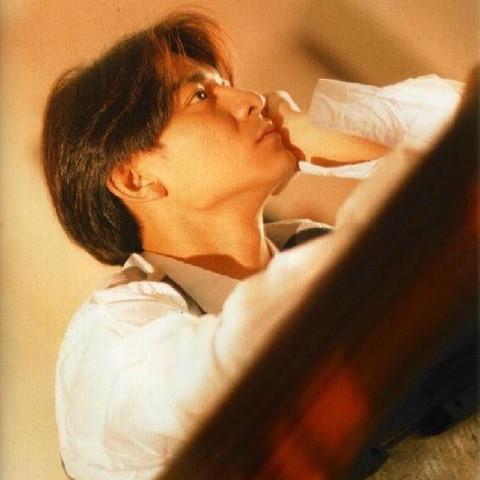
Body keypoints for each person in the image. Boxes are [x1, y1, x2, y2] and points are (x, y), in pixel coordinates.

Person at [42, 10, 468, 480]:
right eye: (200, 95)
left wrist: (329, 128)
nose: (252, 100)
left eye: (228, 85)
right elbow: (231, 369)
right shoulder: (112, 342)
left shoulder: (308, 247)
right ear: (134, 178)